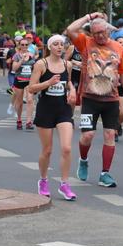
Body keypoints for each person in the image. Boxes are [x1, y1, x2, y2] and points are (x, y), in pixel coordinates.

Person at [66, 13, 123, 188]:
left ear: (108, 31)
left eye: (102, 32)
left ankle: (105, 173)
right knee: (87, 135)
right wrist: (89, 17)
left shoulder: (118, 48)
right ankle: (84, 160)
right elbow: (70, 29)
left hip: (111, 99)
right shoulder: (85, 43)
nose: (99, 36)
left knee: (110, 134)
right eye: (95, 33)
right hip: (90, 99)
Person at [28, 35, 77, 201]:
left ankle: (64, 184)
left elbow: (68, 82)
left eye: (61, 44)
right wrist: (47, 83)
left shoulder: (67, 64)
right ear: (49, 47)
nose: (59, 47)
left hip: (63, 109)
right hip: (46, 109)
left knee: (67, 148)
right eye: (55, 44)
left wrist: (73, 91)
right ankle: (43, 181)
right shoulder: (41, 64)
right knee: (47, 150)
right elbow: (31, 88)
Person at [11, 38, 37, 130]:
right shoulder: (16, 56)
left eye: (26, 45)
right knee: (20, 102)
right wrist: (21, 60)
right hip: (19, 80)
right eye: (22, 45)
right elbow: (14, 68)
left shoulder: (32, 55)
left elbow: (35, 67)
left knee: (30, 100)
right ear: (19, 45)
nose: (24, 47)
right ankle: (19, 119)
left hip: (30, 81)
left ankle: (29, 122)